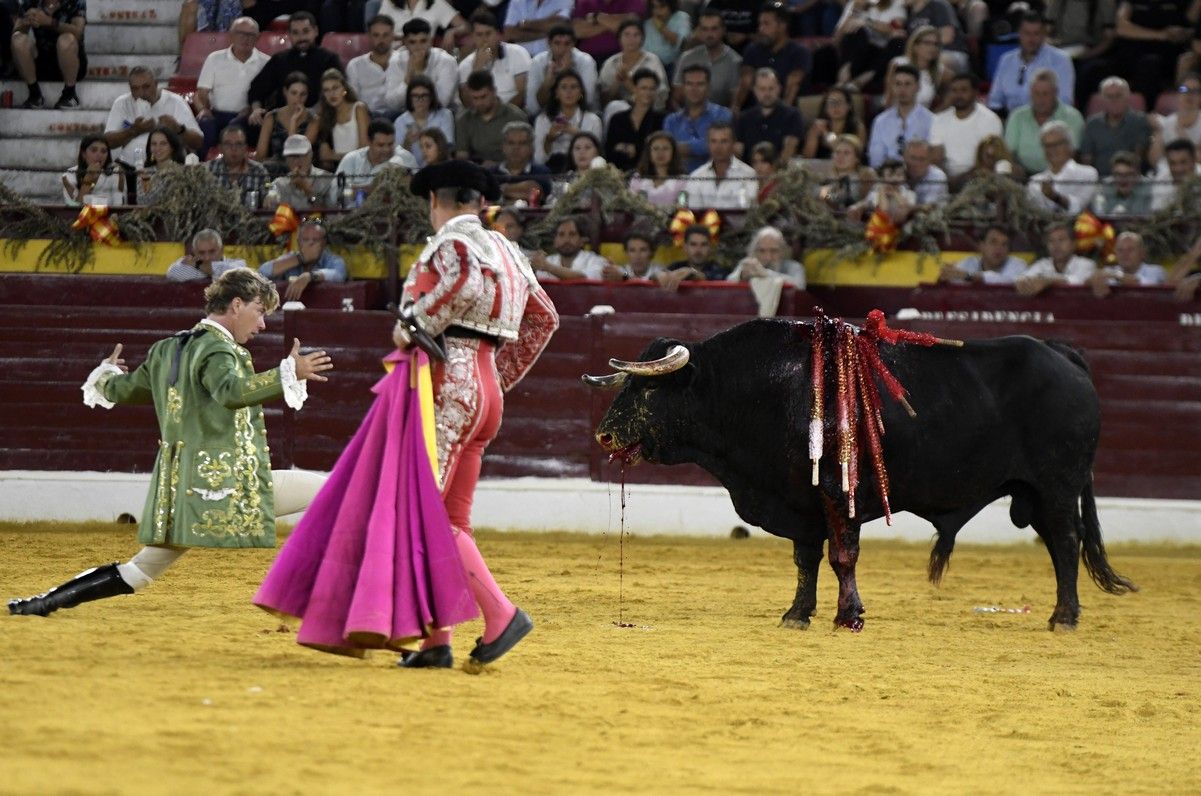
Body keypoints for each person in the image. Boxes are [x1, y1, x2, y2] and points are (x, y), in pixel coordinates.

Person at [322, 159, 554, 666]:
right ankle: (436, 641)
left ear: (434, 201)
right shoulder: (509, 250)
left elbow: (464, 283)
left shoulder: (454, 241)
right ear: (481, 202)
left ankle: (501, 615)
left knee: (423, 512)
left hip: (449, 384)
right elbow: (545, 318)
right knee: (452, 519)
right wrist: (496, 380)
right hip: (485, 390)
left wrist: (414, 326)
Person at [7, 269, 333, 618]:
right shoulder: (219, 350)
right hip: (229, 487)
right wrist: (287, 373)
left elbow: (122, 390)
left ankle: (43, 602)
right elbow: (231, 392)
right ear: (237, 305)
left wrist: (106, 375)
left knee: (140, 569)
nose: (263, 324)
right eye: (260, 311)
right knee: (336, 491)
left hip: (181, 489)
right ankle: (306, 594)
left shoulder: (167, 349)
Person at [103, 66, 204, 183]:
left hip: (166, 169)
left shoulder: (175, 102)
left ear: (156, 84)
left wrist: (178, 129)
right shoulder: (122, 103)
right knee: (109, 176)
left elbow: (198, 142)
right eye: (135, 89)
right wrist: (133, 131)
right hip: (128, 167)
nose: (141, 93)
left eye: (146, 87)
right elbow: (107, 142)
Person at [247, 12, 342, 123]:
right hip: (281, 121)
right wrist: (256, 109)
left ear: (315, 31)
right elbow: (257, 89)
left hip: (319, 120)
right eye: (295, 33)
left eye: (306, 31)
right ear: (289, 35)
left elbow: (337, 91)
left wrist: (311, 115)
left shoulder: (329, 59)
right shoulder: (279, 59)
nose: (301, 37)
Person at [195, 16, 269, 153]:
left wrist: (251, 110)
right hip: (216, 114)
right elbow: (201, 92)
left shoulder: (266, 62)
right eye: (240, 33)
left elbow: (269, 97)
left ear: (258, 37)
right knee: (204, 125)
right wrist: (204, 109)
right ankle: (200, 163)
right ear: (231, 35)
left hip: (247, 117)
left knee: (235, 128)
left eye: (251, 35)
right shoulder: (214, 58)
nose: (245, 38)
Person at [987, 11, 1075, 114]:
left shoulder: (1061, 60)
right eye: (1027, 33)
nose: (1031, 39)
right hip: (1011, 119)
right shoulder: (1006, 60)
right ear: (1019, 33)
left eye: (1036, 33)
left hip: (1048, 118)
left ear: (1044, 34)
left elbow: (1065, 102)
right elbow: (994, 100)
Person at [1003, 68, 1086, 174]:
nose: (1040, 99)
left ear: (1056, 93)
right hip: (1023, 176)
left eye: (1045, 94)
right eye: (1036, 93)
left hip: (1062, 175)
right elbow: (1008, 152)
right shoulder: (1017, 116)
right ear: (1030, 93)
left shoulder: (1073, 117)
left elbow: (1074, 153)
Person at [928, 72, 1003, 186]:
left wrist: (959, 180)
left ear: (975, 92)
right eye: (954, 90)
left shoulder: (990, 120)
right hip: (946, 179)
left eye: (963, 90)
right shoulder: (939, 120)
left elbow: (988, 160)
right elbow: (936, 157)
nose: (958, 95)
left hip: (978, 177)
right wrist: (947, 179)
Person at [11, 0, 86, 109]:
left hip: (72, 62)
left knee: (66, 39)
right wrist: (26, 21)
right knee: (18, 39)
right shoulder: (30, 2)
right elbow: (16, 31)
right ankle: (34, 94)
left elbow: (79, 33)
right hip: (42, 62)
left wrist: (50, 22)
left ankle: (70, 94)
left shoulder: (76, 2)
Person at [735, 2, 810, 109]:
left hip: (787, 112)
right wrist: (735, 109)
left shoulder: (799, 52)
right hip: (755, 112)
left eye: (766, 24)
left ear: (782, 26)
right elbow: (745, 83)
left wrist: (782, 115)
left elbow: (792, 86)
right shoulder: (752, 50)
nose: (761, 29)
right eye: (760, 24)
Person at [664, 64, 733, 172]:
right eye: (689, 84)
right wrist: (702, 146)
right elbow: (666, 150)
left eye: (700, 84)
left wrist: (684, 148)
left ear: (708, 87)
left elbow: (721, 147)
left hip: (712, 177)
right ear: (683, 88)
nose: (694, 89)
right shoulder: (671, 121)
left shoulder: (723, 115)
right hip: (678, 177)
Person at [260, 218, 349, 301]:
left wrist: (309, 276)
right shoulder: (291, 257)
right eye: (306, 240)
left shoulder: (333, 260)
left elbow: (339, 274)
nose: (310, 243)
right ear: (298, 242)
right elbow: (262, 272)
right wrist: (301, 259)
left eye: (315, 240)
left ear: (324, 243)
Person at [1079, 76, 1151, 176]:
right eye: (1109, 96)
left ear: (1127, 97)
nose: (1114, 100)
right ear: (1102, 99)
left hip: (1130, 178)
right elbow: (1086, 158)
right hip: (1099, 180)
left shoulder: (1139, 121)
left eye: (1118, 96)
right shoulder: (1092, 124)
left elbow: (1138, 156)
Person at [458, 10, 532, 108]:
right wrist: (476, 69)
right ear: (472, 37)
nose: (484, 39)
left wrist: (500, 114)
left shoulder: (517, 52)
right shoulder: (465, 65)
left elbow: (523, 93)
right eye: (479, 35)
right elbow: (467, 103)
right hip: (481, 114)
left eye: (488, 33)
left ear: (497, 34)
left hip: (513, 112)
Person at [384, 17, 461, 111]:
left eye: (423, 41)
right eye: (412, 42)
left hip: (442, 113)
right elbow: (392, 104)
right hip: (405, 113)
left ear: (430, 41)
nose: (418, 47)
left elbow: (442, 102)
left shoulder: (446, 61)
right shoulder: (396, 61)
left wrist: (419, 72)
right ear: (405, 43)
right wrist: (407, 80)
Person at [866, 64, 935, 168]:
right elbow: (876, 157)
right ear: (892, 87)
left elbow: (931, 156)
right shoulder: (880, 121)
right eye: (898, 84)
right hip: (887, 173)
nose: (902, 89)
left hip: (919, 172)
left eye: (907, 84)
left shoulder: (931, 120)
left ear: (918, 87)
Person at [533, 68, 604, 169]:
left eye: (573, 87)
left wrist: (576, 133)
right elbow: (539, 160)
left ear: (581, 93)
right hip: (552, 169)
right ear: (556, 93)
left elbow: (596, 158)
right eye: (564, 87)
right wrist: (549, 139)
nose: (569, 91)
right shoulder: (543, 120)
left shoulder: (593, 120)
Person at [454, 70, 529, 165]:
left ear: (494, 91)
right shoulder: (464, 120)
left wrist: (497, 166)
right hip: (476, 170)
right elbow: (462, 155)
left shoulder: (515, 117)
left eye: (483, 97)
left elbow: (524, 155)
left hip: (509, 169)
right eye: (475, 98)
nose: (479, 103)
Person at [671, 9, 742, 109]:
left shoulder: (735, 61)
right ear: (699, 31)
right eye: (705, 29)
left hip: (720, 117)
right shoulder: (686, 58)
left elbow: (734, 103)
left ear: (723, 30)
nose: (709, 34)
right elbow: (676, 99)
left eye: (714, 29)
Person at [525, 24, 602, 117]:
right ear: (549, 43)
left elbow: (587, 99)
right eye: (557, 43)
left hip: (584, 114)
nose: (562, 49)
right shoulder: (538, 61)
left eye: (567, 44)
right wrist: (547, 83)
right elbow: (532, 106)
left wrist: (565, 73)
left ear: (573, 44)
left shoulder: (586, 61)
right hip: (546, 115)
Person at [1026, 119, 1100, 214]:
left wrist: (1055, 197)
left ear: (1069, 145)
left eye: (1057, 144)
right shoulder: (1035, 181)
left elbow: (1079, 207)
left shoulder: (1087, 173)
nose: (1052, 150)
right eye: (1047, 145)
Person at [598, 18, 669, 112]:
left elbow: (660, 96)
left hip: (649, 111)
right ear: (619, 38)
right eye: (627, 35)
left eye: (636, 35)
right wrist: (617, 81)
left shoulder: (653, 61)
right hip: (616, 111)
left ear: (642, 38)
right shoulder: (611, 63)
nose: (631, 39)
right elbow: (603, 100)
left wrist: (628, 82)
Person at [734, 68, 804, 163]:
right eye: (762, 89)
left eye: (771, 88)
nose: (767, 93)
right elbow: (738, 152)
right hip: (749, 170)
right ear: (754, 90)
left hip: (779, 170)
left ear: (779, 88)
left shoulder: (792, 116)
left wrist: (773, 170)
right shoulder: (744, 118)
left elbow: (789, 150)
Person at [307, 68, 371, 171]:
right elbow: (304, 145)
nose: (331, 94)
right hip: (339, 171)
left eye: (335, 88)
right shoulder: (326, 116)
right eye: (326, 90)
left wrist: (333, 156)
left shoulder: (358, 108)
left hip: (361, 169)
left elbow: (364, 151)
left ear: (344, 89)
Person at [604, 68, 664, 172]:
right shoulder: (617, 119)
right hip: (619, 173)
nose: (648, 93)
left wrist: (631, 148)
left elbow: (658, 149)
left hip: (649, 173)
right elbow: (609, 151)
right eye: (644, 88)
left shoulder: (661, 119)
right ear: (635, 89)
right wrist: (636, 148)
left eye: (652, 89)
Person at [255, 72, 315, 175]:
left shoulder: (313, 119)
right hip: (275, 168)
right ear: (285, 92)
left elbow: (296, 154)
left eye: (303, 94)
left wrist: (293, 122)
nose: (298, 98)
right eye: (294, 93)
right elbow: (260, 156)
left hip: (302, 169)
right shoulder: (271, 117)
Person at [687, 120, 757, 208]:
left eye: (724, 141)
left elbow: (748, 209)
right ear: (708, 144)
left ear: (733, 143)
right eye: (713, 141)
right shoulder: (696, 176)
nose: (718, 147)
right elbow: (694, 210)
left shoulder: (748, 174)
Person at [1015, 222, 1097, 296]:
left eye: (1061, 240)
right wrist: (1023, 280)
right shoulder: (1042, 264)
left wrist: (1049, 281)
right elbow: (1024, 277)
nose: (1056, 245)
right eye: (1051, 241)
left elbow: (1078, 281)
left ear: (1073, 244)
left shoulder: (1086, 264)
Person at [882, 26, 950, 110]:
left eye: (936, 44)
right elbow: (888, 99)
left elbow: (950, 98)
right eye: (927, 43)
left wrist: (935, 115)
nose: (932, 48)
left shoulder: (941, 72)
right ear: (915, 46)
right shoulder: (898, 64)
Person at [530, 216, 621, 280]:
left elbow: (581, 278)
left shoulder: (596, 261)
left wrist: (548, 267)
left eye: (572, 234)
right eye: (561, 234)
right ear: (555, 241)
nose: (566, 240)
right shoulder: (548, 261)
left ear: (582, 240)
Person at [394, 74, 455, 167]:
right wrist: (407, 143)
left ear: (431, 97)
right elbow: (397, 159)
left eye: (424, 95)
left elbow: (447, 149)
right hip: (411, 170)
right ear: (409, 98)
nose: (420, 100)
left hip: (438, 168)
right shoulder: (400, 121)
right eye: (415, 96)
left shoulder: (444, 115)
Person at [346, 14, 400, 119]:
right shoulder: (355, 65)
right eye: (376, 35)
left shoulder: (403, 60)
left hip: (399, 116)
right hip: (368, 117)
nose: (381, 40)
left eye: (385, 35)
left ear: (393, 36)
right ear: (369, 36)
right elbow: (352, 101)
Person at [267, 134, 340, 209]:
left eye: (300, 155)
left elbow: (331, 212)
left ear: (310, 155)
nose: (296, 161)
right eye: (291, 156)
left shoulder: (328, 180)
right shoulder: (279, 184)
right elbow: (268, 208)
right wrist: (269, 202)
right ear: (286, 159)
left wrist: (308, 190)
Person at [938, 224, 1027, 284]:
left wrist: (968, 276)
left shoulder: (1017, 264)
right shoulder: (969, 262)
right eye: (993, 242)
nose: (999, 248)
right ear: (981, 246)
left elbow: (1005, 281)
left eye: (1004, 244)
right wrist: (946, 276)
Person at [336, 118, 405, 193]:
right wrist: (366, 190)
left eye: (390, 144)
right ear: (369, 142)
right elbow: (336, 189)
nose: (386, 150)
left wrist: (356, 188)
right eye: (381, 145)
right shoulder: (351, 159)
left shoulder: (403, 159)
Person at [1090, 231, 1167, 297]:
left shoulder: (1156, 271)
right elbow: (1086, 285)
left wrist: (1116, 276)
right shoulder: (1108, 272)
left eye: (1130, 250)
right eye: (1120, 250)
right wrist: (1094, 279)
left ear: (1142, 253)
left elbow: (1140, 284)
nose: (1125, 254)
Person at [571, 0, 647, 65]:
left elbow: (632, 24)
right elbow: (577, 31)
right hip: (588, 59)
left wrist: (597, 17)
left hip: (621, 57)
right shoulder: (584, 1)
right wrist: (614, 22)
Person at [726, 225, 806, 288]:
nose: (768, 257)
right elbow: (728, 283)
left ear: (783, 251)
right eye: (762, 251)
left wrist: (766, 274)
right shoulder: (749, 265)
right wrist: (741, 275)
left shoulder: (794, 267)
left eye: (774, 251)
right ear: (755, 252)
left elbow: (799, 285)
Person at [491, 121, 553, 200]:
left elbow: (533, 192)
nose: (516, 148)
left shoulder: (541, 172)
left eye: (522, 143)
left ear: (531, 147)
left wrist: (501, 189)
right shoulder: (491, 172)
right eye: (511, 143)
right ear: (503, 146)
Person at [1149, 73, 1201, 166]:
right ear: (1177, 94)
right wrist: (1159, 132)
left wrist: (1184, 140)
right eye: (1184, 89)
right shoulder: (1167, 123)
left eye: (1195, 91)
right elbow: (1154, 161)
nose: (1189, 94)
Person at [802, 85, 867, 160]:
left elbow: (855, 155)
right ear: (825, 108)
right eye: (831, 103)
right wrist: (814, 135)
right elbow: (807, 157)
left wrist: (826, 133)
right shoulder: (817, 126)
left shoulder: (858, 127)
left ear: (849, 106)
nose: (836, 106)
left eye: (840, 102)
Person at [207, 125, 269, 202]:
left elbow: (268, 189)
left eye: (239, 144)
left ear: (245, 148)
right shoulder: (208, 169)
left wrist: (270, 197)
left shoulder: (260, 171)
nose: (234, 149)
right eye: (228, 144)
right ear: (220, 148)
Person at [61, 134, 125, 207]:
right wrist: (88, 182)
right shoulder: (70, 174)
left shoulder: (114, 173)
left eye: (103, 151)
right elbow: (74, 209)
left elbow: (118, 207)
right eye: (94, 150)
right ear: (84, 154)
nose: (99, 155)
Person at [628, 130, 688, 206]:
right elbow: (631, 205)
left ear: (673, 152)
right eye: (656, 148)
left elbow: (683, 206)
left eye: (665, 148)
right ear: (649, 153)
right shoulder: (638, 178)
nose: (660, 153)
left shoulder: (683, 181)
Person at [379, 0, 467, 51]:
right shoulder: (389, 2)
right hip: (392, 53)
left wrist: (452, 32)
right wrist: (403, 39)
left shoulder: (437, 3)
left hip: (423, 54)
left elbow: (465, 26)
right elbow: (378, 30)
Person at [165, 228, 249, 282]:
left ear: (221, 250)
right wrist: (212, 272)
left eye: (212, 251)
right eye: (201, 253)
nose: (207, 257)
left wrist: (197, 265)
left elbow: (235, 274)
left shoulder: (238, 264)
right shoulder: (187, 262)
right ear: (194, 252)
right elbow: (173, 272)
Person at [819, 133, 876, 210]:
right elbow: (824, 195)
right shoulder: (825, 176)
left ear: (857, 158)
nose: (840, 157)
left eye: (846, 153)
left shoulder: (866, 174)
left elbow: (873, 198)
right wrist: (826, 193)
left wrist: (860, 206)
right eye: (837, 152)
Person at [848, 158, 914, 223]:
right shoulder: (877, 191)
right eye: (890, 175)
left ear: (905, 177)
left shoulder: (909, 193)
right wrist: (882, 192)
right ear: (882, 178)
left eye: (899, 175)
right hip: (880, 226)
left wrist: (895, 193)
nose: (895, 178)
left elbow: (907, 208)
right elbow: (883, 211)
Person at [136, 126, 188, 206]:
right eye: (154, 144)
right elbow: (142, 203)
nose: (158, 148)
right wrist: (146, 185)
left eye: (163, 144)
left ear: (172, 147)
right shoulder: (145, 173)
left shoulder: (183, 172)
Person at [504, 0, 573, 58]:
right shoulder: (517, 1)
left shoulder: (564, 1)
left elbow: (560, 24)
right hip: (521, 59)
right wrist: (549, 31)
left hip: (551, 59)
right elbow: (510, 33)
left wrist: (525, 24)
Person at [1150, 137, 1201, 210]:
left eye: (1183, 162)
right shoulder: (1160, 180)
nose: (1178, 169)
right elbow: (1158, 211)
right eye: (1173, 163)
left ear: (1193, 161)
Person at [1095, 150, 1152, 215]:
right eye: (1118, 174)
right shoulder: (1103, 187)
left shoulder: (1150, 188)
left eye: (1129, 174)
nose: (1123, 179)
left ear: (1138, 175)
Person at [643, 0, 690, 73]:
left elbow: (682, 43)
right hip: (651, 67)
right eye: (654, 7)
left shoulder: (681, 17)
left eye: (662, 6)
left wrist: (661, 27)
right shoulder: (648, 23)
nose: (658, 11)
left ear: (670, 5)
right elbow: (644, 50)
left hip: (674, 66)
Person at [903, 138, 947, 206]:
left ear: (929, 161)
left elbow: (928, 206)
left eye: (922, 159)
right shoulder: (898, 172)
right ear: (905, 158)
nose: (916, 163)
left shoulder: (938, 176)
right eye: (913, 158)